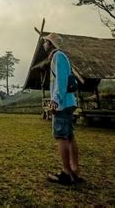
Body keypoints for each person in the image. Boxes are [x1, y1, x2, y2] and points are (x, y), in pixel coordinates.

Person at [43, 33, 82, 185]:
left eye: (46, 41)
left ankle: (66, 172)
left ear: (51, 44)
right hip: (68, 101)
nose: (44, 44)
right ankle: (75, 170)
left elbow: (61, 81)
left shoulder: (57, 57)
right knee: (70, 136)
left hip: (62, 103)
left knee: (61, 136)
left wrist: (54, 100)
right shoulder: (61, 56)